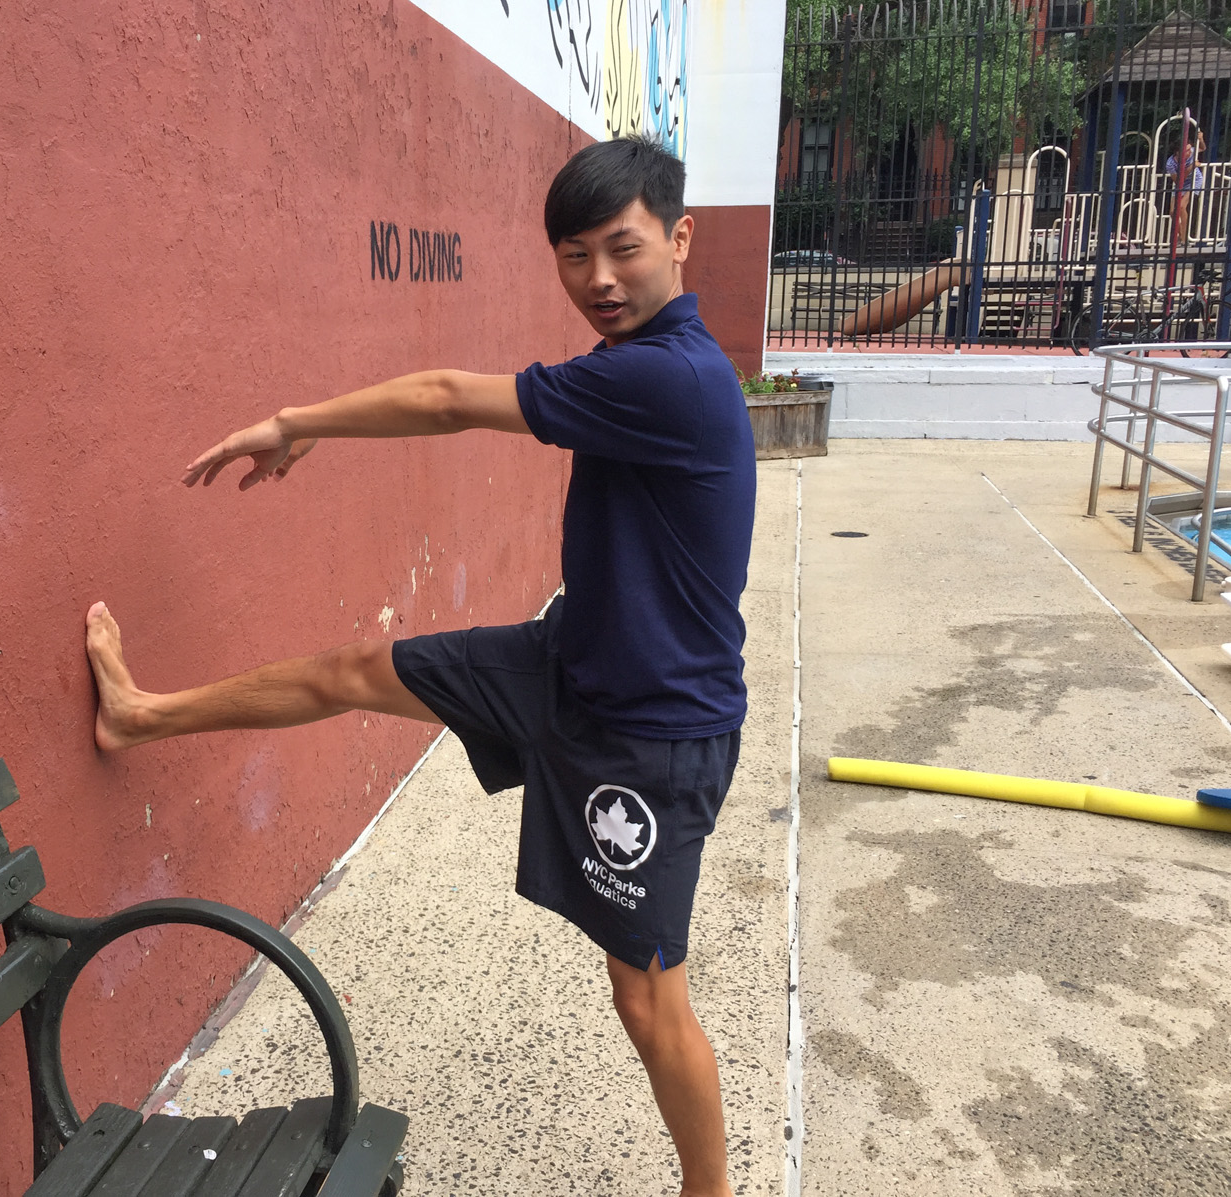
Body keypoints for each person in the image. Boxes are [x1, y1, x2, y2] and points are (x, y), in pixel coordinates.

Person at [85, 135, 755, 1197]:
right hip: (564, 664)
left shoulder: (671, 379)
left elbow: (448, 395)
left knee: (645, 996)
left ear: (679, 239)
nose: (599, 279)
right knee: (353, 669)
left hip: (654, 731)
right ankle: (138, 712)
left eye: (622, 248)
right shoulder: (641, 368)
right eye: (573, 255)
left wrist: (295, 422)